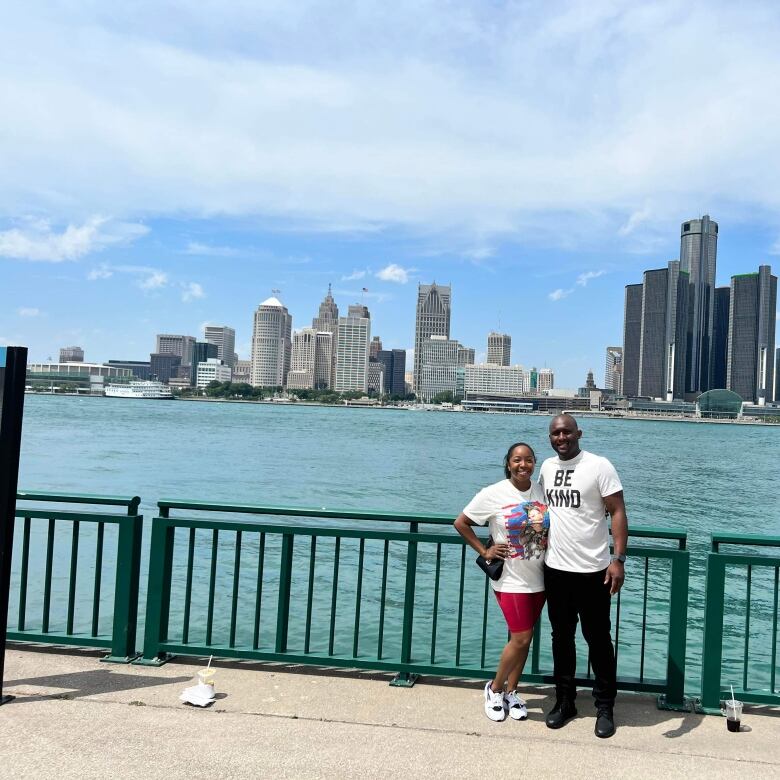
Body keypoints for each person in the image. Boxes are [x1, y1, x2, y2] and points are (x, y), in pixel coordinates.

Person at [539, 414, 628, 739]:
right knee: (561, 639)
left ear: (578, 433)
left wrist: (617, 559)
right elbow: (543, 510)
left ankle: (605, 707)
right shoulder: (547, 467)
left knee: (599, 640)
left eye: (566, 432)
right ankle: (566, 702)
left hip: (593, 571)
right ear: (550, 438)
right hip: (556, 569)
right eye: (555, 433)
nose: (561, 438)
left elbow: (617, 511)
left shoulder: (599, 466)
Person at [454, 442, 549, 722]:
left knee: (524, 638)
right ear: (508, 463)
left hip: (540, 577)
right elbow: (461, 522)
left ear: (534, 463)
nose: (523, 465)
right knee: (520, 637)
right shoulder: (493, 493)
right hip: (510, 579)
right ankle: (495, 689)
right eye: (517, 460)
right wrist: (485, 550)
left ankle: (512, 691)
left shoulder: (542, 490)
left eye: (529, 460)